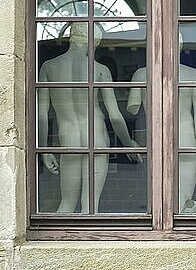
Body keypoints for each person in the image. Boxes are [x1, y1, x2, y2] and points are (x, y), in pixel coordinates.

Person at [38, 22, 140, 213]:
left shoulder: (49, 67)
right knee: (90, 204)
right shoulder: (100, 70)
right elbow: (115, 115)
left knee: (66, 203)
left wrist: (44, 150)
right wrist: (128, 143)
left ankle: (60, 241)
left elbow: (42, 115)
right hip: (96, 137)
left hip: (68, 139)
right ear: (93, 41)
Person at [127, 32, 196, 212]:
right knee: (184, 199)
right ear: (180, 47)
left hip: (156, 139)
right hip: (186, 137)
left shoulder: (141, 74)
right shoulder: (195, 75)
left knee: (158, 198)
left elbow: (132, 108)